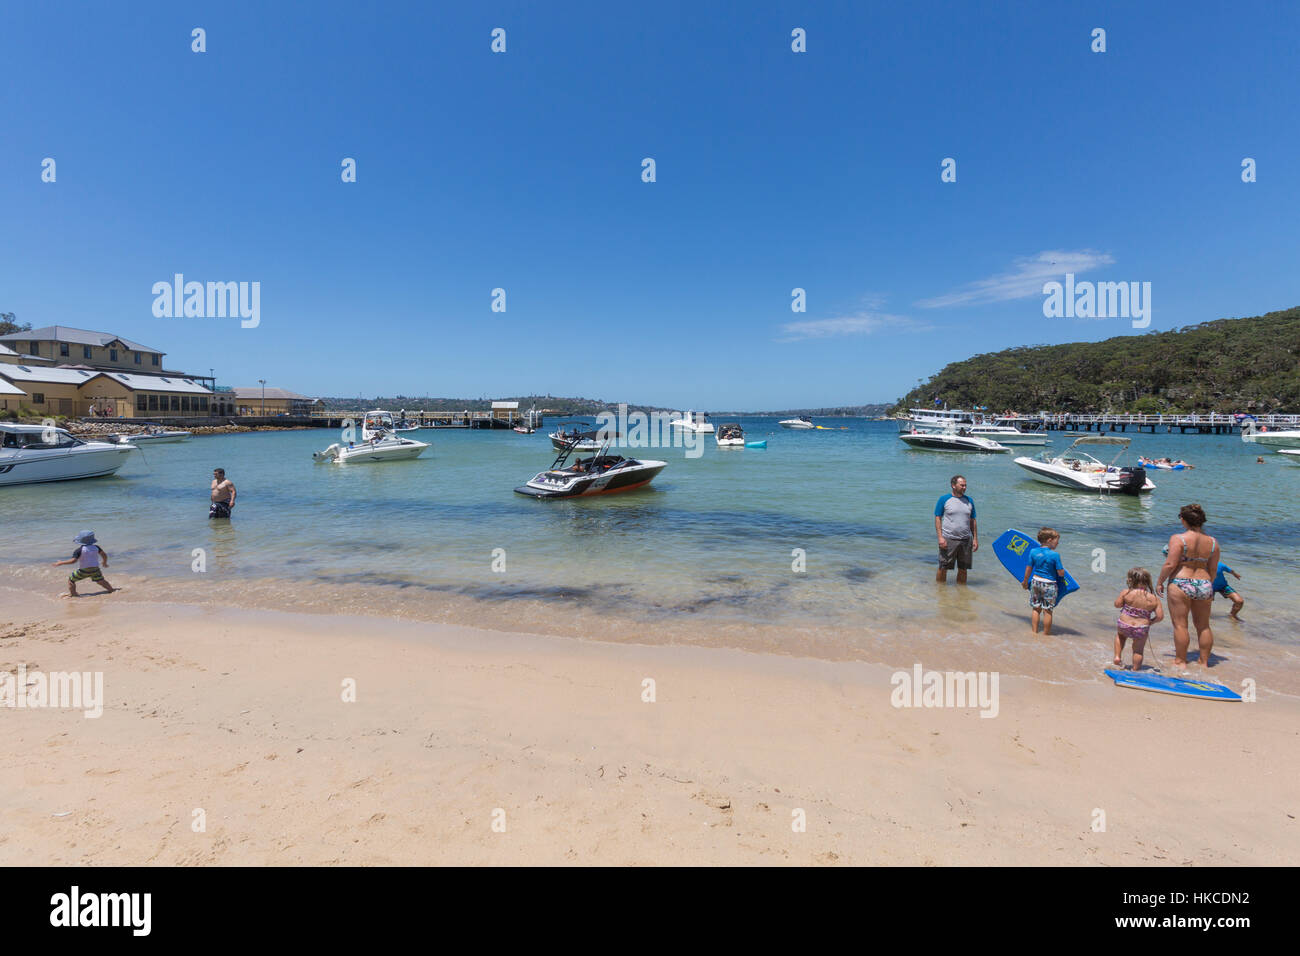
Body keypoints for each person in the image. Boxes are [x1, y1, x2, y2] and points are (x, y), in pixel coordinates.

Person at [1156, 504, 1218, 672]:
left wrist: (1160, 581)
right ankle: (1204, 663)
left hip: (1181, 582)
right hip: (1204, 583)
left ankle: (1180, 662)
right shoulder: (1213, 542)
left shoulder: (1179, 539)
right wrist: (1207, 584)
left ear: (1183, 519)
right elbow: (1213, 569)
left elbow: (1170, 564)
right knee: (1203, 626)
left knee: (1180, 625)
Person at [1113, 567, 1163, 669]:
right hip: (1141, 628)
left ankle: (1117, 656)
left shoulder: (1126, 592)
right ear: (1148, 581)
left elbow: (1117, 605)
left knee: (1120, 637)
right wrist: (1151, 622)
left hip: (1124, 625)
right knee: (1138, 650)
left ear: (1130, 580)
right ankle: (1135, 670)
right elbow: (1160, 617)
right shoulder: (1154, 599)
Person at [1021, 527, 1066, 635]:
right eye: (1057, 541)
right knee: (1048, 611)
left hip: (1035, 582)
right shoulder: (1055, 555)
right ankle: (1046, 635)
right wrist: (1062, 573)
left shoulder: (1033, 551)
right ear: (1049, 540)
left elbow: (1029, 568)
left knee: (1036, 609)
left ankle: (1034, 632)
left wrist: (1025, 581)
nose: (1058, 543)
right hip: (1049, 584)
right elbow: (1060, 573)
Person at [934, 475, 977, 584]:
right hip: (948, 539)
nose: (964, 487)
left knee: (963, 569)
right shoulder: (944, 499)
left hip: (966, 540)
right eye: (962, 485)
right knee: (943, 568)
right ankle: (940, 591)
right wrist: (940, 537)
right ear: (953, 485)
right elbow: (938, 517)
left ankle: (961, 594)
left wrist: (975, 539)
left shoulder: (969, 500)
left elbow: (973, 520)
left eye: (965, 485)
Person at [51, 529, 115, 597]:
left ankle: (74, 594)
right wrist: (104, 562)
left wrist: (61, 563)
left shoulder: (79, 550)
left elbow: (73, 561)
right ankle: (111, 590)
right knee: (101, 581)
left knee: (71, 580)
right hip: (95, 569)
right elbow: (104, 555)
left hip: (84, 570)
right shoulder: (96, 547)